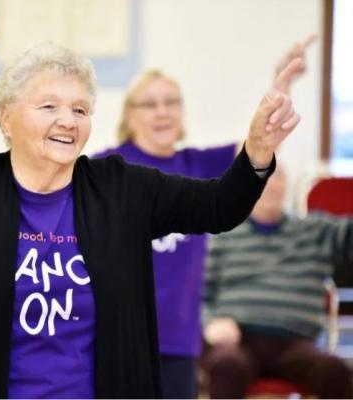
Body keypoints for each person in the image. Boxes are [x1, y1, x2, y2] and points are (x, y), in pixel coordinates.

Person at [0, 42, 301, 399]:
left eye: (80, 109)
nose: (68, 120)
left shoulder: (122, 189)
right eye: (49, 106)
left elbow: (220, 207)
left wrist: (257, 152)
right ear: (6, 118)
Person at [93, 35, 316, 398]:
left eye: (170, 102)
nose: (162, 112)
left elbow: (259, 145)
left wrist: (281, 83)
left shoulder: (197, 165)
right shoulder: (107, 168)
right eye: (149, 104)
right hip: (116, 337)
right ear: (129, 115)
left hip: (178, 340)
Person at [202, 167, 353, 399]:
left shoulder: (314, 231)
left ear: (286, 185)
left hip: (295, 341)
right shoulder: (223, 234)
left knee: (334, 372)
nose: (269, 185)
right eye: (261, 178)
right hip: (238, 338)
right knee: (227, 365)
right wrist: (210, 321)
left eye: (277, 177)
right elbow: (198, 292)